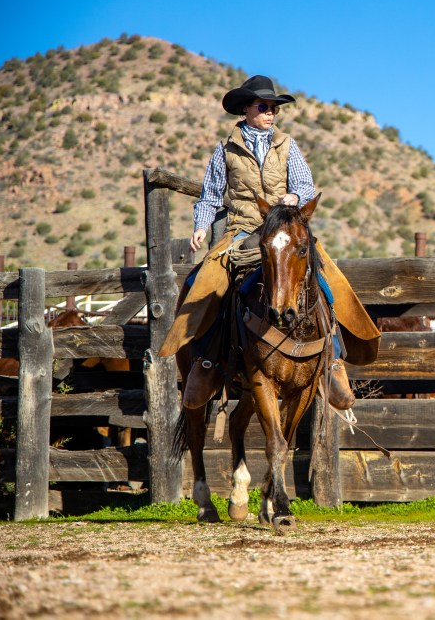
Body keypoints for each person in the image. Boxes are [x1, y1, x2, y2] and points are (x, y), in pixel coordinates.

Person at [158, 75, 381, 410]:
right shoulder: (225, 150)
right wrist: (201, 226)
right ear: (246, 109)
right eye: (263, 106)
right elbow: (210, 195)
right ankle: (205, 362)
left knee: (327, 277)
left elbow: (305, 186)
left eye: (274, 107)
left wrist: (294, 196)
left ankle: (333, 360)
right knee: (203, 282)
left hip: (285, 229)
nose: (271, 113)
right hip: (243, 230)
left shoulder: (287, 145)